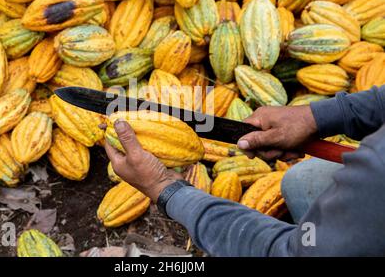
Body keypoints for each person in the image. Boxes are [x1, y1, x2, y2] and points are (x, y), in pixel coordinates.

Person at [104, 86, 385, 256]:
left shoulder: (377, 172)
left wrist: (166, 190)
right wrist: (319, 117)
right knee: (303, 180)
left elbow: (290, 253)